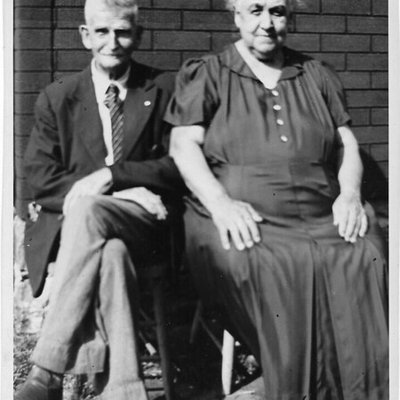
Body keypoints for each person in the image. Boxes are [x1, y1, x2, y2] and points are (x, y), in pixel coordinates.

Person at [165, 0, 388, 398]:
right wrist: (221, 204)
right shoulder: (209, 72)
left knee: (363, 253)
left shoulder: (315, 74)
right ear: (236, 16)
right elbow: (183, 146)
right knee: (269, 264)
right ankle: (297, 385)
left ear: (290, 17)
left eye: (277, 11)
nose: (267, 23)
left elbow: (346, 145)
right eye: (255, 10)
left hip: (320, 208)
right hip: (243, 212)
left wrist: (350, 195)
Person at [16, 0, 183, 399]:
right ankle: (124, 390)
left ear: (138, 35)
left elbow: (180, 164)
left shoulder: (163, 88)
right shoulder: (59, 96)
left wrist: (114, 175)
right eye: (102, 31)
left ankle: (47, 372)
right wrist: (118, 189)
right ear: (85, 36)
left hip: (144, 223)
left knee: (90, 208)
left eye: (122, 31)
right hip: (84, 231)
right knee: (111, 254)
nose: (113, 42)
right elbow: (39, 177)